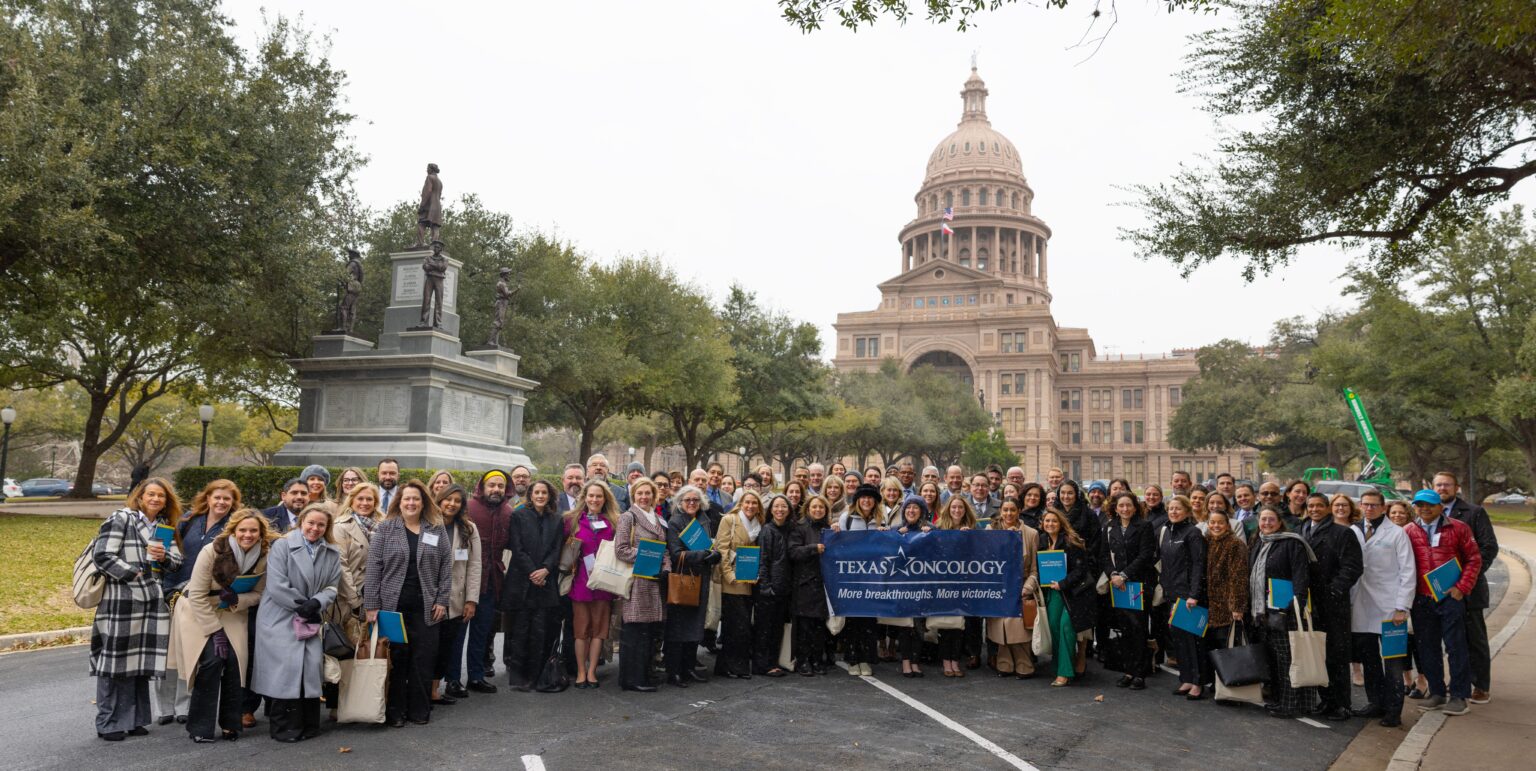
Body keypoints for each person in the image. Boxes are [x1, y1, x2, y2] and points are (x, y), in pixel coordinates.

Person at [90, 479, 185, 741]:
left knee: (141, 663)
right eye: (150, 494)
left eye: (161, 496)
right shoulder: (121, 518)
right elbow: (102, 555)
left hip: (151, 603)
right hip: (121, 600)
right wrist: (135, 573)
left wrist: (164, 557)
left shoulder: (164, 527)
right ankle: (109, 723)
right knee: (114, 663)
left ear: (166, 501)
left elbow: (176, 562)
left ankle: (135, 720)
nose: (155, 499)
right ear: (140, 497)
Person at [168, 508, 271, 743]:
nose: (248, 535)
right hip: (199, 610)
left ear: (261, 533)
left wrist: (238, 599)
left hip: (232, 610)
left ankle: (231, 724)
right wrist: (215, 631)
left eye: (253, 530)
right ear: (233, 530)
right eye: (242, 530)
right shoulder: (212, 550)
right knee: (212, 661)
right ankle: (200, 727)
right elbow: (196, 595)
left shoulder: (264, 555)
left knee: (236, 663)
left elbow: (259, 593)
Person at [366, 480, 452, 726]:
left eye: (416, 499)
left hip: (427, 607)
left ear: (423, 503)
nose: (411, 503)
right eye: (407, 499)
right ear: (399, 502)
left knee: (423, 659)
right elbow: (374, 567)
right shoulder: (386, 528)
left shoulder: (435, 529)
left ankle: (419, 709)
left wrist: (442, 599)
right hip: (392, 606)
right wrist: (371, 604)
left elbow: (446, 566)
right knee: (397, 659)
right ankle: (395, 712)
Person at [251, 503, 340, 742]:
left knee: (309, 670)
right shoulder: (282, 545)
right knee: (285, 671)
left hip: (311, 616)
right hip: (280, 615)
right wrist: (303, 606)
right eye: (311, 523)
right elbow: (276, 584)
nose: (315, 528)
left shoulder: (332, 552)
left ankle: (308, 724)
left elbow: (332, 586)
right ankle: (284, 727)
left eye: (321, 525)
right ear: (301, 522)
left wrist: (317, 602)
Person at [161, 479, 242, 724]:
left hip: (204, 597)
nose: (221, 502)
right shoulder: (188, 521)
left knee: (191, 653)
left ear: (233, 502)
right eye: (217, 497)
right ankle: (164, 708)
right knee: (169, 654)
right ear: (207, 498)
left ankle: (184, 706)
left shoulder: (233, 527)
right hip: (175, 592)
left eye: (227, 499)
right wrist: (167, 588)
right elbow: (173, 554)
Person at [1406, 488, 1483, 717]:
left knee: (1456, 646)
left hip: (1450, 597)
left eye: (1430, 505)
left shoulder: (1459, 528)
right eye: (1420, 505)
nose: (1425, 509)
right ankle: (1437, 692)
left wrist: (1462, 588)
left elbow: (1474, 559)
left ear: (1440, 507)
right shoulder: (1408, 531)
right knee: (1427, 647)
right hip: (1421, 598)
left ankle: (1459, 696)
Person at [1350, 489, 1415, 726]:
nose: (1369, 509)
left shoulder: (1397, 533)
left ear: (1383, 507)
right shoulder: (1353, 531)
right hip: (1361, 605)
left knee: (1393, 662)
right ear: (1360, 506)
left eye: (1374, 505)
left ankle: (1393, 711)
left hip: (1390, 607)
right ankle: (1375, 703)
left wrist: (1402, 606)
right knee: (1370, 661)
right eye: (1365, 504)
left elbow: (1408, 571)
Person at [1434, 471, 1498, 704]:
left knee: (1474, 639)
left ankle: (1480, 685)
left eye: (1447, 485)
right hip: (1439, 588)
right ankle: (1458, 682)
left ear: (1456, 487)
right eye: (1438, 485)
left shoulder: (1474, 512)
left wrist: (1466, 577)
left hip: (1469, 588)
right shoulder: (1428, 513)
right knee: (1451, 641)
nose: (1442, 488)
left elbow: (1488, 547)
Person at [1301, 492, 1364, 721]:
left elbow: (1353, 567)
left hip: (1333, 603)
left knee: (1337, 654)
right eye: (1311, 506)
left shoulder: (1342, 533)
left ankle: (1341, 704)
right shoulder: (1301, 530)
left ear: (1327, 508)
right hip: (1309, 601)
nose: (1315, 510)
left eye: (1319, 506)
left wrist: (1335, 589)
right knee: (1318, 653)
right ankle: (1326, 700)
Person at [1249, 507, 1316, 719]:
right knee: (1275, 660)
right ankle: (1279, 700)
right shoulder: (1259, 542)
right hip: (1263, 611)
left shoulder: (1292, 543)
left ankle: (1292, 704)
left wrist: (1294, 606)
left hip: (1285, 611)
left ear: (1280, 522)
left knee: (1289, 659)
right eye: (1263, 519)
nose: (1266, 523)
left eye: (1271, 519)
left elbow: (1301, 577)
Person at [500, 480, 563, 691]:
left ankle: (538, 677)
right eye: (537, 492)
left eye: (544, 492)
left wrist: (545, 569)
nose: (540, 496)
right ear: (530, 494)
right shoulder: (518, 516)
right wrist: (532, 572)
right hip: (522, 583)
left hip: (545, 582)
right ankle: (520, 678)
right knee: (521, 631)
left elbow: (557, 549)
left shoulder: (556, 519)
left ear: (549, 495)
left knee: (541, 632)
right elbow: (516, 548)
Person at [323, 480, 374, 721]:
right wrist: (355, 600)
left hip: (373, 599)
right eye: (360, 499)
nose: (364, 503)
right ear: (351, 501)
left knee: (367, 655)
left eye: (369, 499)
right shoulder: (340, 526)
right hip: (347, 600)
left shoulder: (382, 525)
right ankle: (337, 706)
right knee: (343, 653)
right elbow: (341, 565)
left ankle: (363, 703)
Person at [663, 485, 723, 686]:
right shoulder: (675, 522)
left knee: (695, 627)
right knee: (678, 628)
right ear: (680, 503)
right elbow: (675, 554)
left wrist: (715, 555)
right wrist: (703, 555)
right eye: (687, 500)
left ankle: (689, 668)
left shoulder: (705, 520)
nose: (691, 503)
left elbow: (711, 546)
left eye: (695, 500)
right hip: (683, 580)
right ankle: (674, 671)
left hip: (701, 579)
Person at [564, 480, 621, 688]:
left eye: (599, 496)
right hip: (580, 583)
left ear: (605, 499)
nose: (594, 499)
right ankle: (581, 671)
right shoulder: (572, 521)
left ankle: (592, 672)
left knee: (599, 630)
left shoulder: (614, 522)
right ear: (584, 498)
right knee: (581, 630)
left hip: (604, 584)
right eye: (591, 496)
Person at [459, 470, 511, 695]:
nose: (496, 489)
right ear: (483, 487)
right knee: (458, 634)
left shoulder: (508, 512)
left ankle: (476, 676)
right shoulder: (468, 508)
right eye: (492, 485)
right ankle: (452, 679)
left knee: (482, 632)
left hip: (491, 581)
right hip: (465, 580)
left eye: (500, 486)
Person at [614, 479, 669, 692]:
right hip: (637, 581)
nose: (644, 497)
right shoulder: (628, 517)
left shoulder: (658, 518)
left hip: (655, 581)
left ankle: (644, 674)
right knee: (634, 631)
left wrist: (666, 567)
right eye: (640, 493)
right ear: (633, 495)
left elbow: (664, 549)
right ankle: (631, 679)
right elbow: (621, 549)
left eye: (648, 493)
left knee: (648, 631)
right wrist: (649, 554)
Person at [432, 485, 481, 706]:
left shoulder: (468, 529)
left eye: (457, 501)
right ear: (439, 500)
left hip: (456, 596)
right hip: (428, 595)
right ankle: (420, 689)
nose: (451, 504)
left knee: (446, 646)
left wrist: (471, 599)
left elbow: (475, 565)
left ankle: (434, 690)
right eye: (447, 499)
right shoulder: (427, 524)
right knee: (426, 647)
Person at [1101, 492, 1156, 689]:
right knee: (1124, 628)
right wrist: (1113, 574)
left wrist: (1124, 575)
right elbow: (1104, 555)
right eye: (1121, 506)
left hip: (1137, 584)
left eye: (1129, 505)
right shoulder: (1109, 527)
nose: (1125, 509)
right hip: (1117, 585)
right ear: (1115, 508)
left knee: (1138, 628)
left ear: (1135, 507)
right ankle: (1128, 670)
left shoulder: (1144, 526)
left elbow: (1145, 555)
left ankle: (1140, 673)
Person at [1160, 494, 1208, 699]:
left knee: (1193, 642)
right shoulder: (1167, 531)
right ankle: (1186, 678)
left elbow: (1198, 565)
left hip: (1189, 596)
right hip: (1172, 594)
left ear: (1187, 511)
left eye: (1178, 508)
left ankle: (1198, 682)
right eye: (1171, 508)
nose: (1173, 512)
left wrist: (1194, 594)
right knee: (1179, 640)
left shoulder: (1193, 533)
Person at [1038, 508, 1093, 687]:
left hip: (1074, 593)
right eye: (1047, 521)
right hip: (1053, 592)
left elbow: (1081, 569)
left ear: (1061, 523)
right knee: (1054, 627)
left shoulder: (1071, 541)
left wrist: (1063, 583)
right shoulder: (1042, 540)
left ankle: (1065, 672)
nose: (1050, 524)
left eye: (1054, 521)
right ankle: (1058, 665)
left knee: (1066, 627)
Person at [713, 490, 764, 679]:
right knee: (736, 625)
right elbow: (721, 549)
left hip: (751, 581)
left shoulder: (759, 524)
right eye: (747, 502)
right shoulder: (729, 520)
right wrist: (729, 575)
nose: (750, 506)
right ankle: (732, 666)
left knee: (742, 626)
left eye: (754, 503)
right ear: (741, 503)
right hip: (733, 581)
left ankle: (731, 666)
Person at [988, 499, 1040, 679]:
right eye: (1005, 510)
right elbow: (985, 560)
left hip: (1021, 587)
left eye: (1012, 510)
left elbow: (1035, 568)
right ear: (1000, 511)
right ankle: (1004, 663)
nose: (1008, 514)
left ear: (1019, 511)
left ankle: (1025, 664)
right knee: (1000, 628)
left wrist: (1028, 587)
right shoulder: (991, 531)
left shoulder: (1031, 533)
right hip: (998, 586)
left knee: (1019, 629)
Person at [839, 484, 884, 675]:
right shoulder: (847, 518)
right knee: (853, 619)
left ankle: (866, 659)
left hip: (873, 577)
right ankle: (852, 659)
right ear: (857, 500)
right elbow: (840, 545)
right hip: (852, 578)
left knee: (869, 620)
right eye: (863, 497)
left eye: (870, 497)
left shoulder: (881, 519)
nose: (866, 500)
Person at [1204, 510, 1249, 694]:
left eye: (1220, 523)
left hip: (1227, 606)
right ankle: (1217, 683)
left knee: (1227, 647)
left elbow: (1238, 577)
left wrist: (1237, 606)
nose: (1216, 526)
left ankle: (1231, 686)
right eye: (1212, 522)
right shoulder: (1206, 542)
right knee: (1213, 646)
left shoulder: (1235, 544)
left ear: (1228, 525)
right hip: (1209, 605)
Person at [788, 494, 832, 676]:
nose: (818, 510)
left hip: (823, 583)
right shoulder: (799, 528)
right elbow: (793, 552)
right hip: (804, 583)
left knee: (819, 625)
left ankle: (817, 659)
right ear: (807, 509)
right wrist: (813, 548)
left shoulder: (829, 528)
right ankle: (803, 660)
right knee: (805, 625)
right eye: (814, 507)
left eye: (821, 507)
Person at [935, 495, 979, 677]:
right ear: (948, 509)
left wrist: (969, 538)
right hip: (944, 583)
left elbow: (980, 554)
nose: (957, 510)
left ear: (965, 510)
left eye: (960, 507)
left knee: (960, 625)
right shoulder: (939, 528)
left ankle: (955, 660)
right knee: (946, 624)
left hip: (965, 583)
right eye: (954, 507)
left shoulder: (972, 529)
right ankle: (946, 662)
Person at [752, 494, 795, 677]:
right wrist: (765, 587)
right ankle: (762, 665)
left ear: (789, 510)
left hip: (784, 588)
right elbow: (763, 560)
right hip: (769, 589)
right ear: (770, 510)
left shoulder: (791, 529)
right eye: (776, 506)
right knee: (764, 628)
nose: (780, 509)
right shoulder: (767, 531)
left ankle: (773, 662)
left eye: (783, 506)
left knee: (777, 628)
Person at [892, 496, 933, 678]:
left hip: (922, 586)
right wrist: (893, 535)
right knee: (905, 626)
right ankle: (906, 661)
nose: (911, 511)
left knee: (919, 626)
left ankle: (915, 661)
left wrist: (930, 534)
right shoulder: (897, 530)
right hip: (902, 586)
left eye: (915, 508)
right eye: (908, 508)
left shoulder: (930, 529)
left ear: (922, 511)